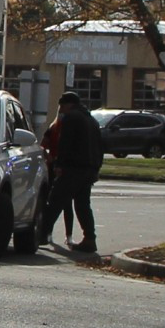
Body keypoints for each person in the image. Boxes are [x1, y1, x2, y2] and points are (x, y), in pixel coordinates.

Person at [41, 91, 105, 253]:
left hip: (73, 168)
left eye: (62, 105)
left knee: (55, 201)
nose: (60, 109)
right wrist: (96, 168)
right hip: (89, 168)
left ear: (69, 104)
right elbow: (100, 146)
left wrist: (59, 164)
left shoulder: (71, 118)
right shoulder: (91, 120)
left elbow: (65, 143)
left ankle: (40, 234)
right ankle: (90, 238)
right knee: (83, 205)